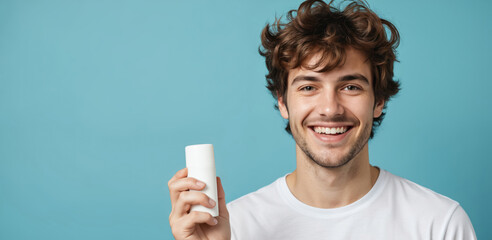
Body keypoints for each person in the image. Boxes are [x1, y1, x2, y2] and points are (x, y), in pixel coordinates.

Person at [168, 0, 477, 239]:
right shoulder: (234, 226)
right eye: (309, 87)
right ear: (282, 102)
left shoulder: (440, 224)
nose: (330, 108)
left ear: (379, 100)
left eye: (351, 86)